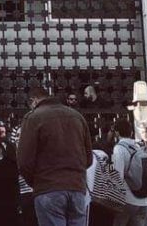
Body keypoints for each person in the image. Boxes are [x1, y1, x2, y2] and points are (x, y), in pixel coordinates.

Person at [16, 86, 92, 226]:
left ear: (33, 100)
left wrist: (36, 181)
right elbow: (88, 157)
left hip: (48, 187)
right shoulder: (77, 117)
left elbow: (24, 161)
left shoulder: (33, 117)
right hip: (77, 187)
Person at [110, 120, 147, 226]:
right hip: (143, 201)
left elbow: (117, 176)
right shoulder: (138, 147)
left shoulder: (119, 149)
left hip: (127, 200)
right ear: (131, 132)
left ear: (117, 133)